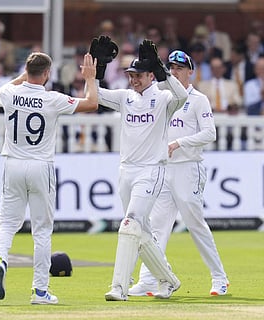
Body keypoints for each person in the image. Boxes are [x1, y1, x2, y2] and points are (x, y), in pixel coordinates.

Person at [0, 52, 98, 305]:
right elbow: (91, 103)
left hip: (12, 164)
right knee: (42, 231)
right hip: (40, 166)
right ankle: (39, 291)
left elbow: (0, 92)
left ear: (26, 71)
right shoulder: (53, 99)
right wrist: (90, 78)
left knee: (6, 224)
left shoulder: (10, 93)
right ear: (47, 74)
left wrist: (25, 75)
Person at [128, 50, 229, 297]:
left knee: (195, 224)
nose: (174, 72)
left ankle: (219, 278)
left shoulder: (198, 99)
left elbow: (210, 134)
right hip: (164, 169)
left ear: (190, 71)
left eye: (179, 69)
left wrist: (179, 143)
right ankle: (150, 279)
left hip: (188, 168)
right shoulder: (164, 98)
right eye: (171, 68)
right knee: (157, 227)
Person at [93, 38, 188, 301]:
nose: (133, 80)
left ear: (150, 75)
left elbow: (182, 95)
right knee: (140, 231)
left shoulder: (164, 98)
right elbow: (95, 96)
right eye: (131, 75)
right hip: (127, 171)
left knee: (129, 224)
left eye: (138, 75)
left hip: (151, 170)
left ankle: (119, 287)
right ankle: (168, 279)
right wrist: (98, 69)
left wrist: (162, 69)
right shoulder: (126, 98)